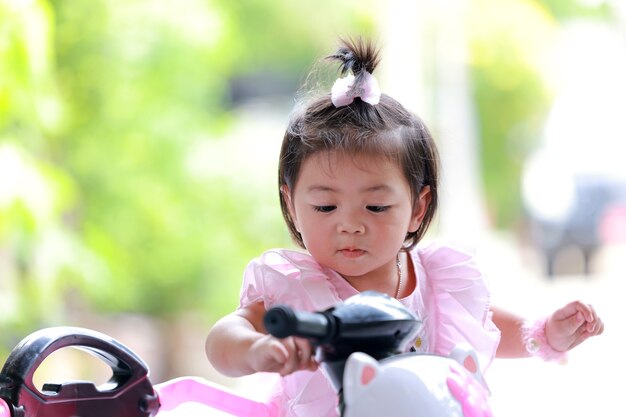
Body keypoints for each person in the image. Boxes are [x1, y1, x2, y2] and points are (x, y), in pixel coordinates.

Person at [205, 37, 604, 417]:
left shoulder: (437, 278)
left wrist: (546, 333)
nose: (350, 225)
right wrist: (254, 349)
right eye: (325, 206)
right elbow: (223, 338)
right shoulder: (293, 288)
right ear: (291, 205)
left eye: (376, 206)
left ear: (418, 207)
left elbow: (489, 327)